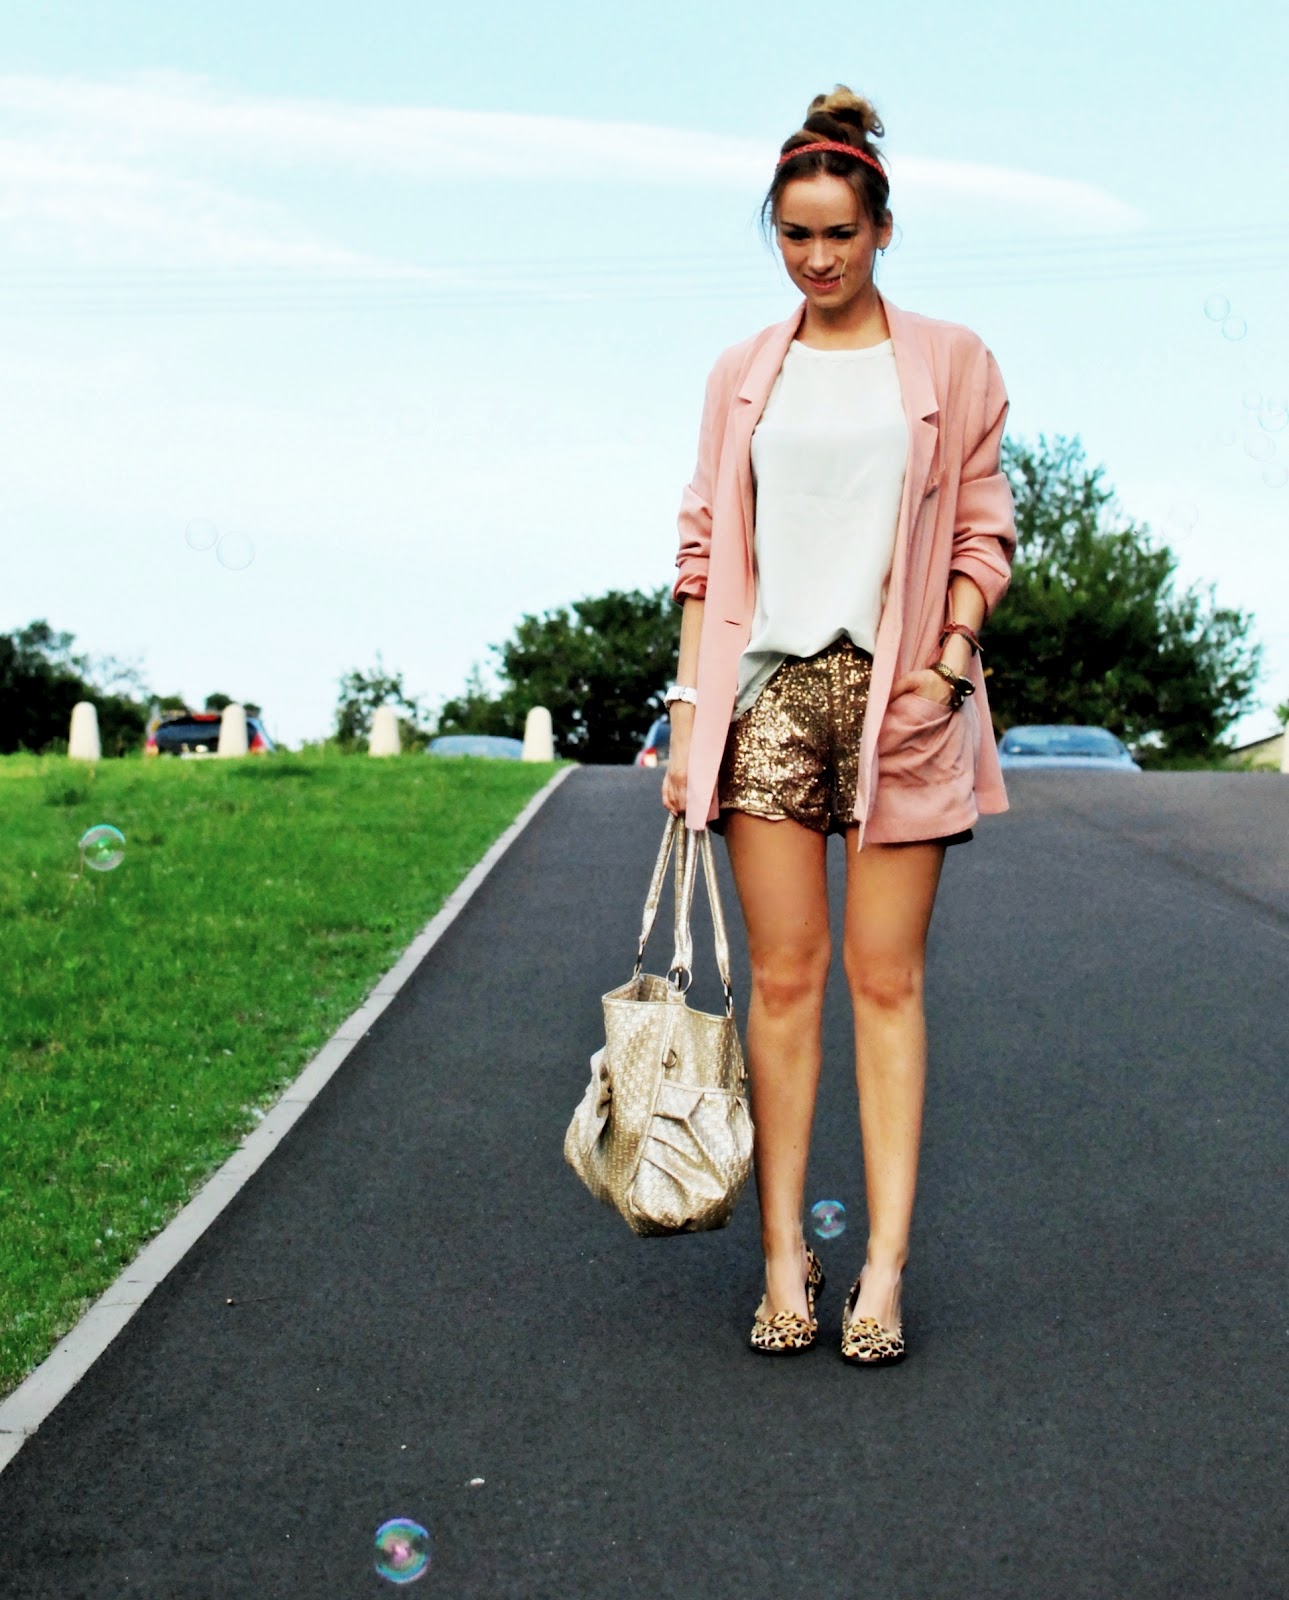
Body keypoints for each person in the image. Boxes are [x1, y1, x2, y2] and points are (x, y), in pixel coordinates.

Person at [660, 86, 1017, 1364]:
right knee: (781, 983)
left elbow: (981, 527)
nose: (816, 259)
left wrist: (948, 664)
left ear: (881, 229)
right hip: (764, 701)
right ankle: (780, 1258)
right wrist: (689, 716)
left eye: (839, 235)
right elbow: (702, 547)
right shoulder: (741, 373)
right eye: (794, 235)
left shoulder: (949, 361)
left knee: (885, 981)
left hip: (896, 699)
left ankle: (882, 1269)